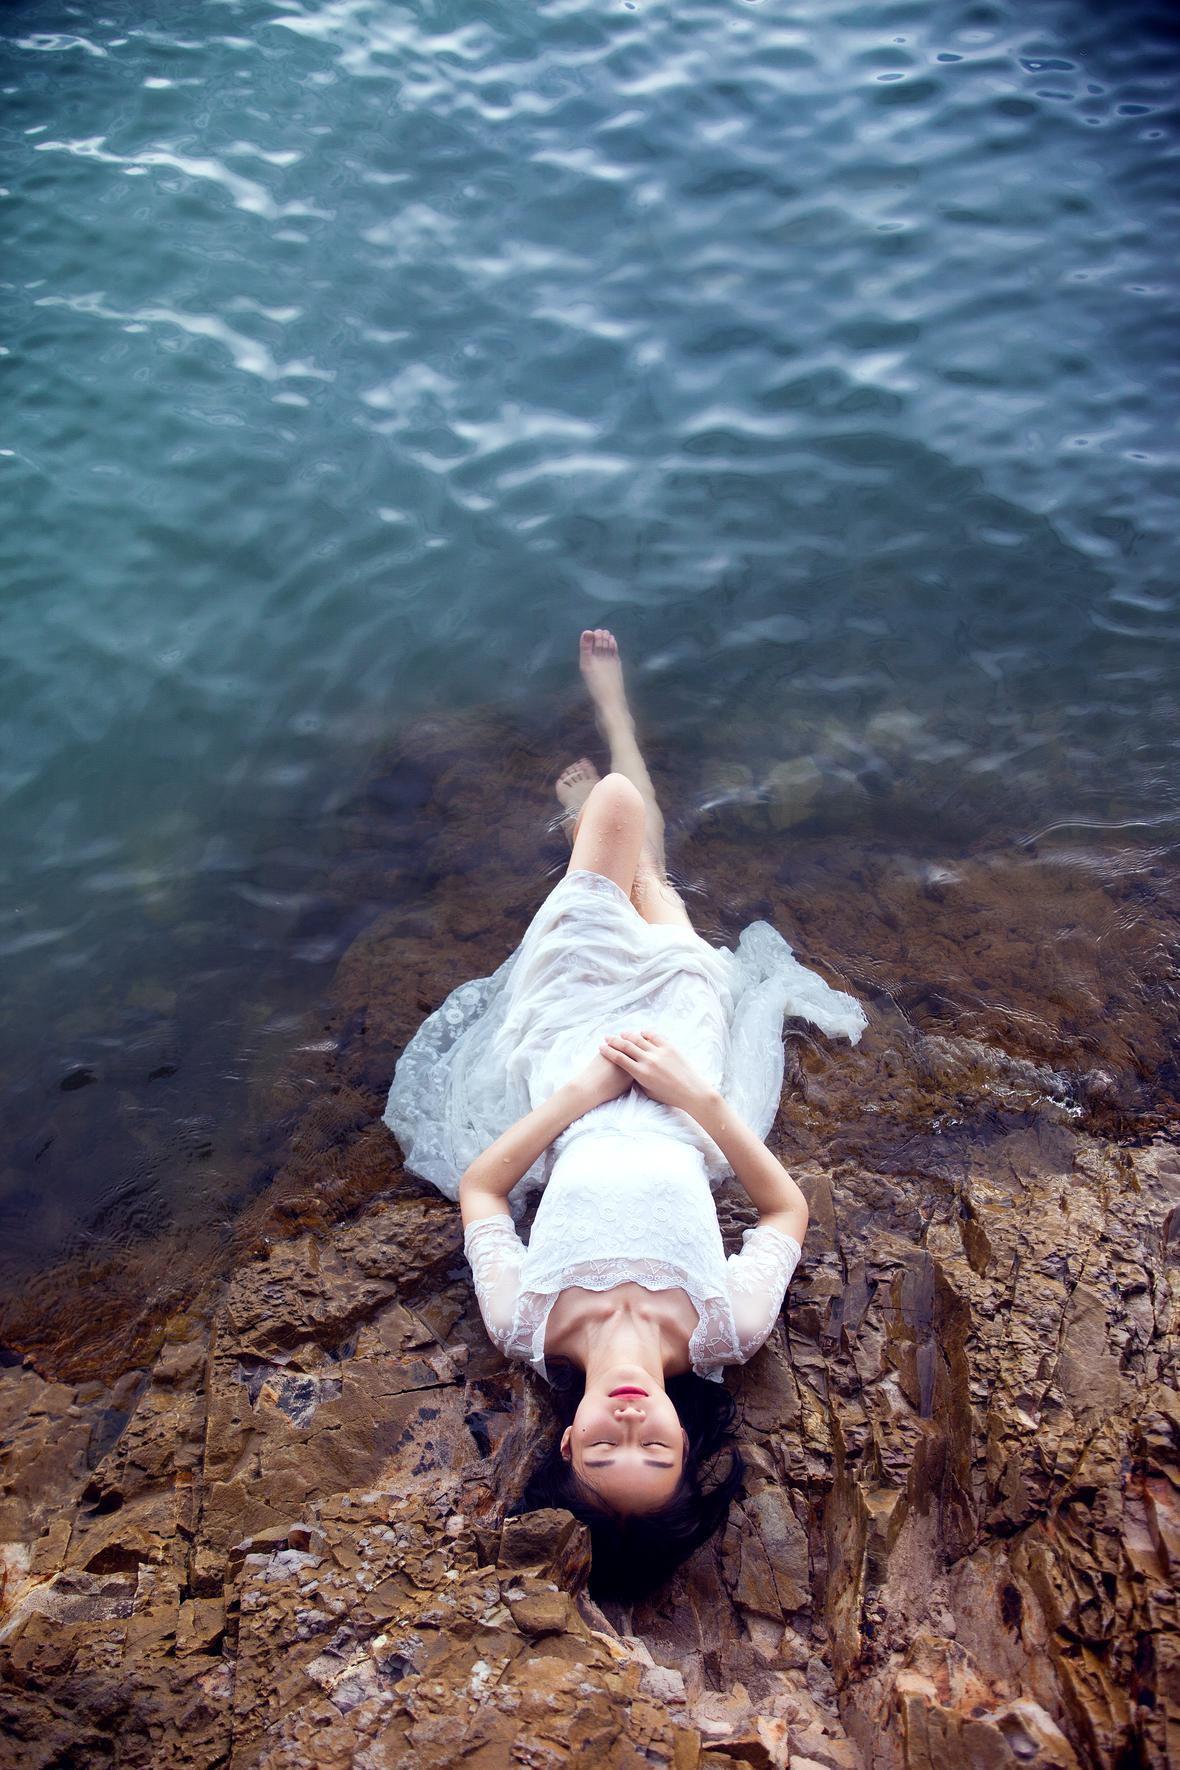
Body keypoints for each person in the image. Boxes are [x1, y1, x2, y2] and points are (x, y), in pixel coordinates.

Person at [384, 629, 867, 1601]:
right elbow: (784, 1211)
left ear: (567, 1441)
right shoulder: (724, 1331)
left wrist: (578, 1096)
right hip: (684, 1074)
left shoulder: (525, 1322)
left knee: (618, 814)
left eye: (606, 1453)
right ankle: (612, 719)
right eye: (658, 1453)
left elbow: (482, 1188)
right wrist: (696, 1097)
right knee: (652, 881)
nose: (632, 1428)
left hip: (575, 1063)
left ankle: (593, 804)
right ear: (687, 1439)